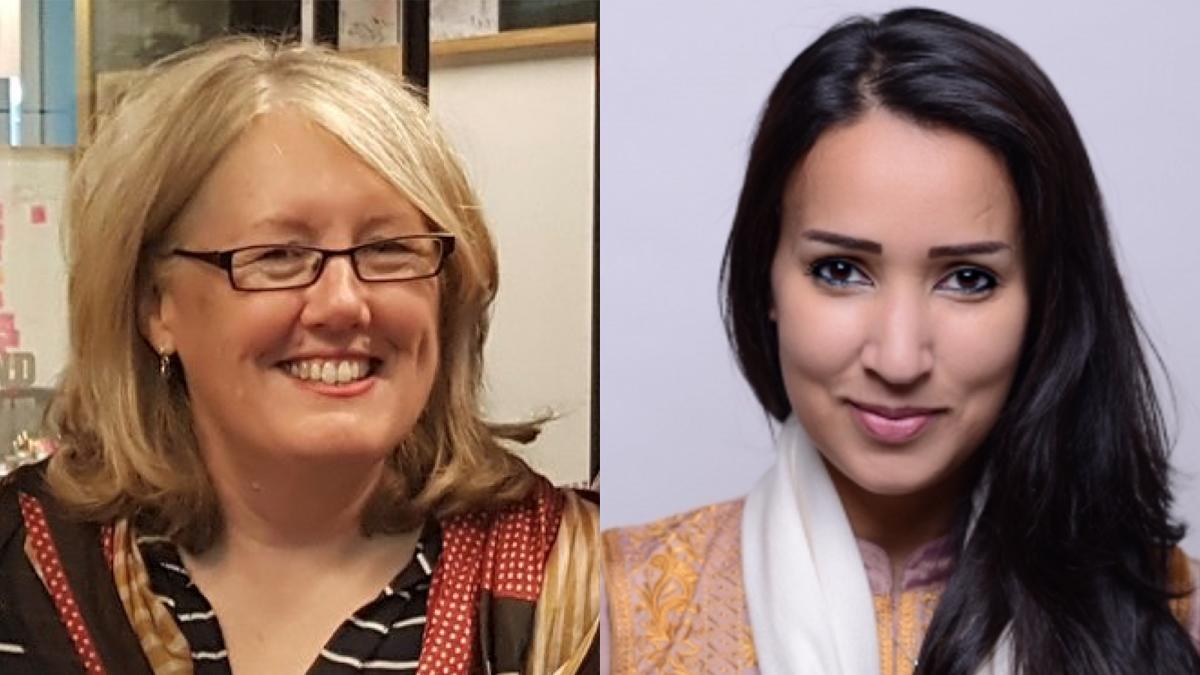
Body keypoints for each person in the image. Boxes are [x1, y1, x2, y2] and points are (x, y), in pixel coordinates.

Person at [602, 8, 1198, 674]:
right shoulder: (615, 603)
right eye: (841, 270)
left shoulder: (1178, 614)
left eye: (969, 279)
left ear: (1046, 300)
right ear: (765, 280)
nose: (898, 357)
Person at [0, 37, 598, 674]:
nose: (343, 303)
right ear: (155, 306)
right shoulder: (21, 571)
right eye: (278, 256)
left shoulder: (592, 594)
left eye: (390, 249)